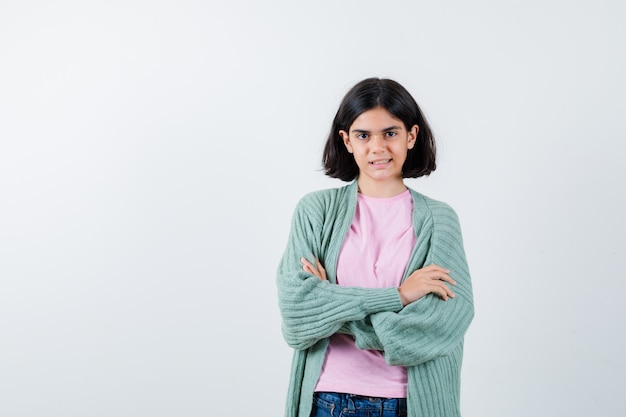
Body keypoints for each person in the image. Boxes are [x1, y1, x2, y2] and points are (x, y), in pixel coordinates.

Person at [276, 77, 474, 417]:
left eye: (390, 133)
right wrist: (398, 296)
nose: (377, 147)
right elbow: (297, 316)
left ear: (411, 136)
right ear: (347, 141)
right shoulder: (316, 211)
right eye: (363, 135)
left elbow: (442, 323)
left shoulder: (440, 220)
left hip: (411, 404)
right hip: (328, 401)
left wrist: (332, 309)